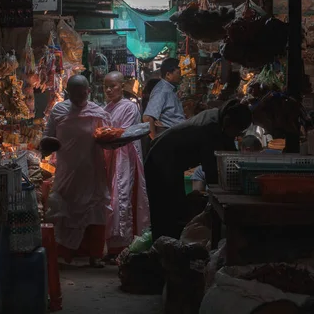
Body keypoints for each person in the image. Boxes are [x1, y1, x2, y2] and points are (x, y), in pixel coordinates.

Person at [144, 100, 252, 241]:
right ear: (228, 122)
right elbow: (211, 168)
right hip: (160, 161)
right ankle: (164, 249)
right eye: (237, 130)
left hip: (169, 162)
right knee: (167, 209)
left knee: (174, 207)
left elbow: (229, 153)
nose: (237, 134)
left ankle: (169, 245)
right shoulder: (210, 127)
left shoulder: (219, 119)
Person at [41, 75, 111, 268]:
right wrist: (45, 146)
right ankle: (65, 255)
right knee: (65, 211)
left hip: (93, 172)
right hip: (67, 173)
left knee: (95, 213)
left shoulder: (98, 112)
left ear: (88, 91)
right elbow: (47, 137)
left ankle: (95, 255)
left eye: (83, 93)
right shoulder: (59, 110)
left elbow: (108, 137)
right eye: (75, 94)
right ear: (68, 93)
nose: (80, 98)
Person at [102, 71, 150, 262]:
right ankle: (112, 247)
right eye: (105, 86)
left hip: (124, 158)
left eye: (112, 86)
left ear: (122, 86)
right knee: (111, 200)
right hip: (111, 157)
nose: (108, 90)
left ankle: (124, 245)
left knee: (122, 198)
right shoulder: (107, 107)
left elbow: (124, 133)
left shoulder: (129, 107)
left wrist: (105, 135)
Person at [143, 58, 186, 139]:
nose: (181, 76)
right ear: (168, 75)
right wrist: (155, 140)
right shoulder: (162, 90)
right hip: (170, 136)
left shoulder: (169, 89)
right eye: (178, 73)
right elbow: (147, 118)